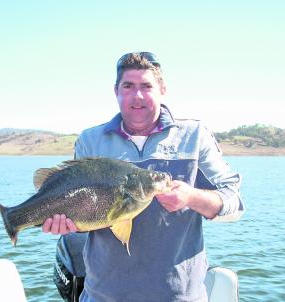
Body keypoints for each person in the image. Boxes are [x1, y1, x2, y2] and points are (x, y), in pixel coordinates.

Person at [43, 52, 244, 302]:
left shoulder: (194, 136)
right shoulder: (90, 141)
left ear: (162, 89)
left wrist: (191, 197)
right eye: (128, 86)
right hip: (102, 295)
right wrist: (68, 223)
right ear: (116, 91)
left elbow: (234, 204)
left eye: (146, 86)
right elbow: (85, 212)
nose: (137, 96)